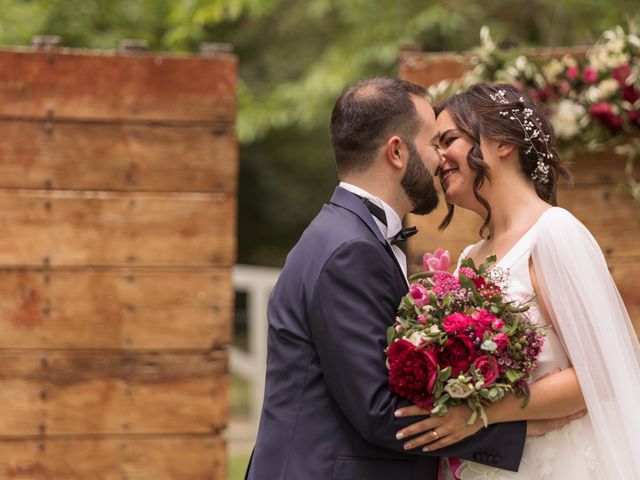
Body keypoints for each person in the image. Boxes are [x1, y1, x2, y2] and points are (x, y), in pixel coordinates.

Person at [244, 78, 548, 480]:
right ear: (398, 151)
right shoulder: (349, 249)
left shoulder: (347, 235)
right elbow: (381, 411)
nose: (442, 158)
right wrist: (520, 431)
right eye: (434, 143)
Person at [394, 82, 640, 479]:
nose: (438, 158)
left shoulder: (554, 232)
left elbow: (600, 375)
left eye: (450, 140)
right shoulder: (468, 259)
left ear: (503, 142)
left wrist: (477, 414)